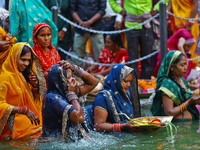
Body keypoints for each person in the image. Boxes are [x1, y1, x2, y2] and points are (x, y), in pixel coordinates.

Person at [42, 61, 98, 140]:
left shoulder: (66, 91)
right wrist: (72, 94)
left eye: (72, 76)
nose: (73, 79)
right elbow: (79, 118)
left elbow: (94, 82)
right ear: (60, 80)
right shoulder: (52, 99)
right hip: (54, 142)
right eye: (69, 77)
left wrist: (74, 68)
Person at [0, 42, 43, 139]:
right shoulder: (5, 77)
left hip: (28, 119)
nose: (26, 64)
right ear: (14, 58)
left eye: (28, 60)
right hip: (13, 123)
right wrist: (24, 110)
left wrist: (35, 86)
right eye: (23, 60)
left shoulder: (22, 74)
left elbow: (33, 101)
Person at [109, 0, 159, 79]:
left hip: (146, 25)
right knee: (133, 60)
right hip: (131, 25)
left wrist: (156, 8)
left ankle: (146, 87)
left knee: (147, 59)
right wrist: (119, 10)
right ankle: (133, 87)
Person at [84, 64, 141, 132]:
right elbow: (99, 126)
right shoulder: (103, 97)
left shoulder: (125, 95)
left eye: (129, 81)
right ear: (116, 80)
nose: (128, 85)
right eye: (125, 81)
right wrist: (122, 126)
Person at [151, 50, 200, 121]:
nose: (186, 68)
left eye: (186, 64)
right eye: (182, 65)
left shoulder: (183, 81)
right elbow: (169, 112)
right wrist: (189, 101)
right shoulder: (167, 84)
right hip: (176, 125)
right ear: (172, 67)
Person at [70, 0, 106, 66]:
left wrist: (89, 22)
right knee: (77, 55)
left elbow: (102, 10)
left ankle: (101, 74)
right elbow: (72, 10)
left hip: (96, 27)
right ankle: (76, 74)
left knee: (100, 54)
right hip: (80, 27)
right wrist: (81, 23)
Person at [167, 0, 199, 66]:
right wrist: (165, 18)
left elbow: (196, 4)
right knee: (177, 48)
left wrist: (190, 22)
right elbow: (169, 6)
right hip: (177, 25)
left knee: (191, 48)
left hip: (190, 25)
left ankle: (192, 69)